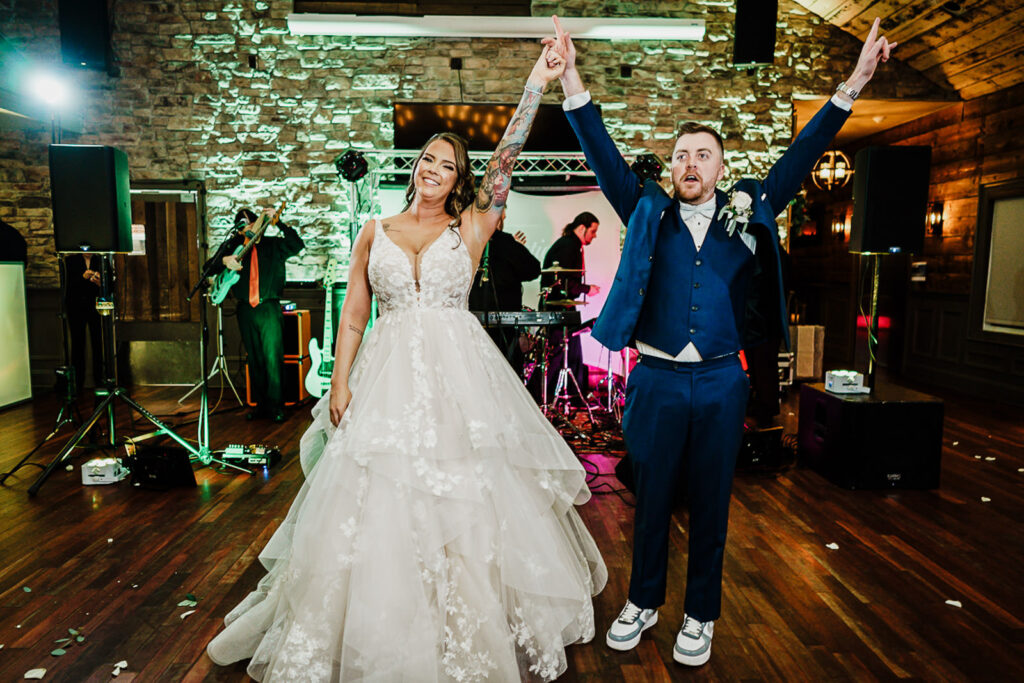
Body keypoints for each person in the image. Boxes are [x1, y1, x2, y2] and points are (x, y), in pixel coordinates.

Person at [207, 41, 606, 682]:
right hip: (386, 377)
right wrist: (339, 380)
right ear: (416, 166)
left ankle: (460, 623)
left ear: (460, 178)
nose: (432, 169)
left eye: (447, 165)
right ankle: (381, 618)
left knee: (463, 500)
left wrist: (538, 81)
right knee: (378, 498)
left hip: (460, 382)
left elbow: (509, 152)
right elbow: (356, 315)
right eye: (427, 159)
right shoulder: (375, 229)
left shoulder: (474, 227)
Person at [547, 16, 896, 667]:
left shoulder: (752, 207)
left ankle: (700, 613)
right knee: (648, 496)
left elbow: (802, 155)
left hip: (718, 380)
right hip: (652, 379)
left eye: (702, 154)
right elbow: (599, 148)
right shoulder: (645, 206)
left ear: (721, 167)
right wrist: (569, 75)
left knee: (711, 498)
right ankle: (643, 600)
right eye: (680, 153)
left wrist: (852, 86)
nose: (688, 163)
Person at [216, 207, 304, 422]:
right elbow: (210, 266)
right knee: (254, 359)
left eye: (251, 224)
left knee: (273, 358)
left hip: (268, 307)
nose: (248, 229)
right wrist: (224, 260)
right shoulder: (234, 248)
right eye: (243, 225)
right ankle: (260, 406)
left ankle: (276, 407)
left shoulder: (273, 245)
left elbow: (297, 245)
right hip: (245, 308)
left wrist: (279, 223)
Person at [467, 206, 541, 375]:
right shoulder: (505, 242)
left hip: (471, 321)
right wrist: (516, 248)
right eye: (503, 217)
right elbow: (533, 269)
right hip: (503, 324)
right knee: (505, 375)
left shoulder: (465, 240)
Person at [539, 212, 600, 401]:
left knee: (569, 352)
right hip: (557, 309)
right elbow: (562, 281)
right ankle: (545, 398)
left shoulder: (571, 244)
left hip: (563, 308)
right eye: (593, 231)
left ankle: (567, 397)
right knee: (556, 355)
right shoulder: (568, 246)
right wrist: (586, 288)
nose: (595, 236)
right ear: (582, 228)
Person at [63, 252, 106, 394]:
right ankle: (77, 383)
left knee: (98, 344)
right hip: (76, 307)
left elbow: (110, 285)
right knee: (77, 345)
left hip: (96, 306)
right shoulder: (70, 261)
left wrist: (101, 283)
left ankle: (100, 381)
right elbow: (67, 286)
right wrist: (82, 277)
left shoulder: (101, 260)